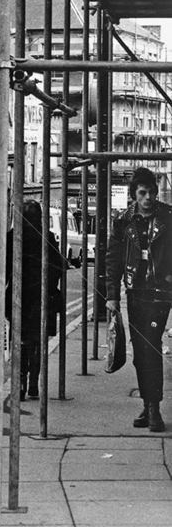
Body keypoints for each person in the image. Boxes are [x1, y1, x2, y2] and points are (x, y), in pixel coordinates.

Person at [106, 167, 172, 433]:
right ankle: (148, 403)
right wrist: (111, 296)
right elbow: (113, 260)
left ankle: (154, 409)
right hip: (135, 293)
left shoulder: (168, 217)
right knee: (140, 350)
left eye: (151, 193)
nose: (148, 198)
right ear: (134, 194)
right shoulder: (123, 221)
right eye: (143, 193)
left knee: (151, 346)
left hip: (160, 294)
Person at [0, 200, 66, 400]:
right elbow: (58, 266)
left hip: (19, 297)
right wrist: (50, 288)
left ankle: (20, 383)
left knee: (19, 341)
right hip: (41, 297)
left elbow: (3, 270)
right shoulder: (47, 237)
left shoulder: (11, 237)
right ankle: (34, 381)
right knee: (38, 341)